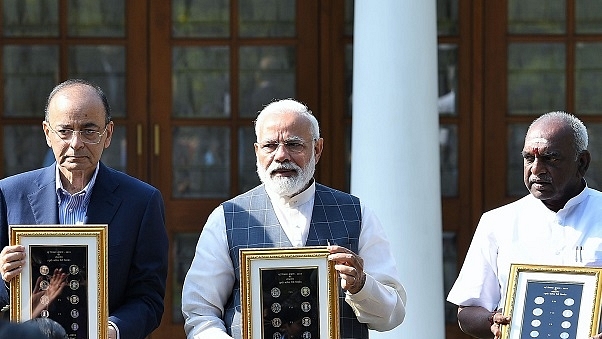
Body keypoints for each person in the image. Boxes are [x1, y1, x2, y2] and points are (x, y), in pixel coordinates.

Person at [181, 98, 406, 339]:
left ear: (317, 149)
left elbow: (391, 316)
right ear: (257, 152)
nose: (281, 155)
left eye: (294, 144)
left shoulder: (357, 214)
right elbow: (200, 313)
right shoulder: (227, 218)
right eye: (270, 145)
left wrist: (361, 286)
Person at [0, 79, 168, 339]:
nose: (76, 143)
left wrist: (110, 330)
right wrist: (3, 275)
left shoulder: (141, 202)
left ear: (108, 134)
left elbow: (149, 298)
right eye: (64, 131)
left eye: (89, 131)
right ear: (47, 133)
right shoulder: (9, 195)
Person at [447, 111, 602, 339]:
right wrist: (492, 321)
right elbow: (467, 311)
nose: (537, 169)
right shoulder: (498, 222)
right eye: (529, 158)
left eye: (551, 158)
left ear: (582, 162)